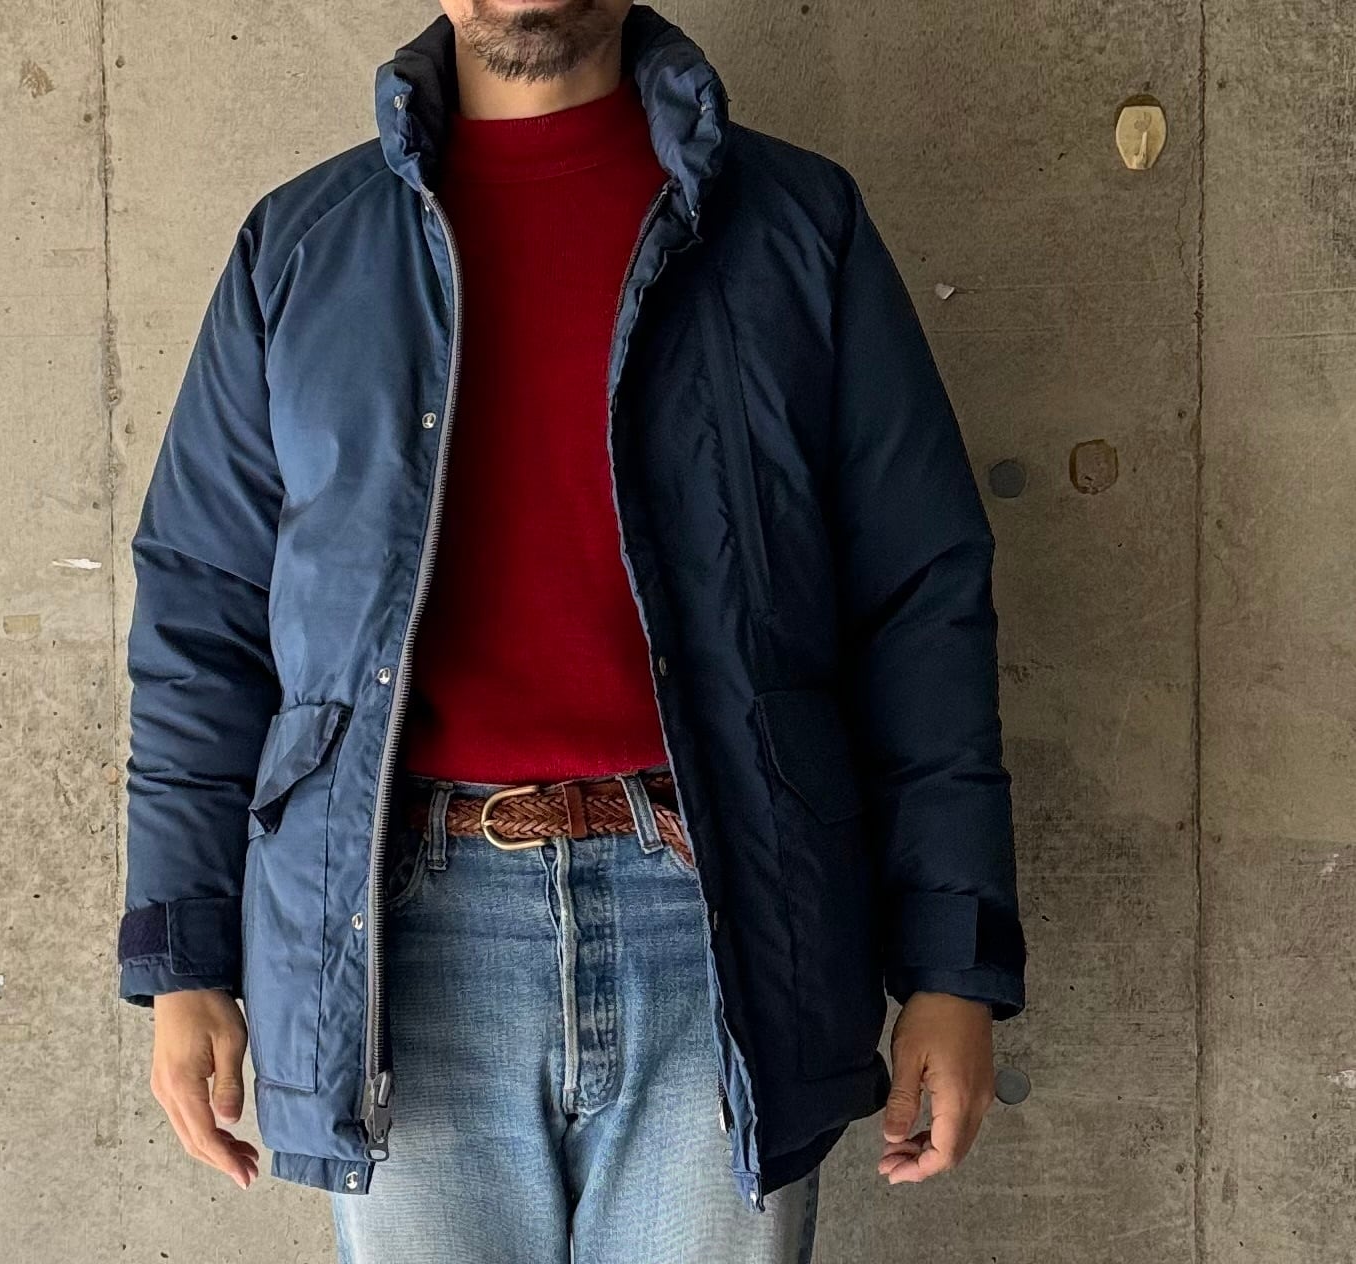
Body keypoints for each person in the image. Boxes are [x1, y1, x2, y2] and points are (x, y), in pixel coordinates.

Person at [116, 2, 1026, 1260]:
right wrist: (183, 955)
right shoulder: (304, 248)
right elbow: (201, 614)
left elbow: (920, 600)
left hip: (726, 921)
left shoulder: (797, 227)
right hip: (397, 946)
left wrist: (952, 962)